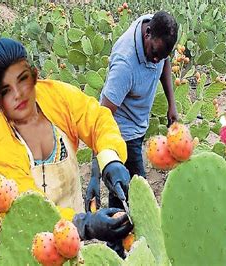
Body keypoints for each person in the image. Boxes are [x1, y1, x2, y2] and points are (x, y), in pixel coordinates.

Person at [0, 38, 132, 258]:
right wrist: (84, 225)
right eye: (6, 91)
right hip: (28, 246)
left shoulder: (57, 97)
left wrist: (110, 159)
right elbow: (26, 210)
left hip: (72, 239)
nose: (19, 94)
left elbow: (96, 119)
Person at [85, 10, 179, 249]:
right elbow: (101, 118)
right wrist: (96, 173)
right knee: (135, 198)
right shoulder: (125, 64)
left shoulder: (156, 32)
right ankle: (117, 252)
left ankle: (119, 250)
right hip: (121, 137)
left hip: (138, 128)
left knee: (125, 199)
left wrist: (171, 104)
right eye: (154, 54)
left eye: (163, 55)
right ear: (147, 35)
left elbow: (164, 61)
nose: (156, 61)